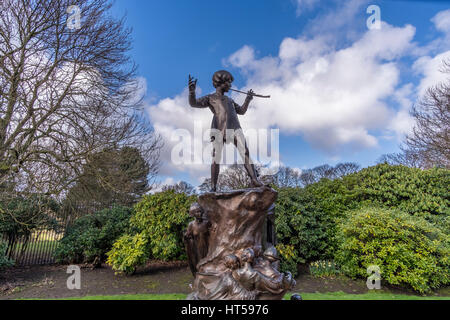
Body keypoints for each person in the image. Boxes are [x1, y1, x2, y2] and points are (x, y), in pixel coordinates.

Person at [188, 70, 263, 192]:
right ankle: (213, 186)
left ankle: (254, 179)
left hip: (235, 128)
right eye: (228, 82)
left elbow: (242, 111)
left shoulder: (230, 100)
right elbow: (194, 103)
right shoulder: (210, 98)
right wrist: (192, 92)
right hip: (219, 129)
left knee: (245, 152)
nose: (231, 85)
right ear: (220, 83)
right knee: (216, 157)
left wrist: (248, 100)